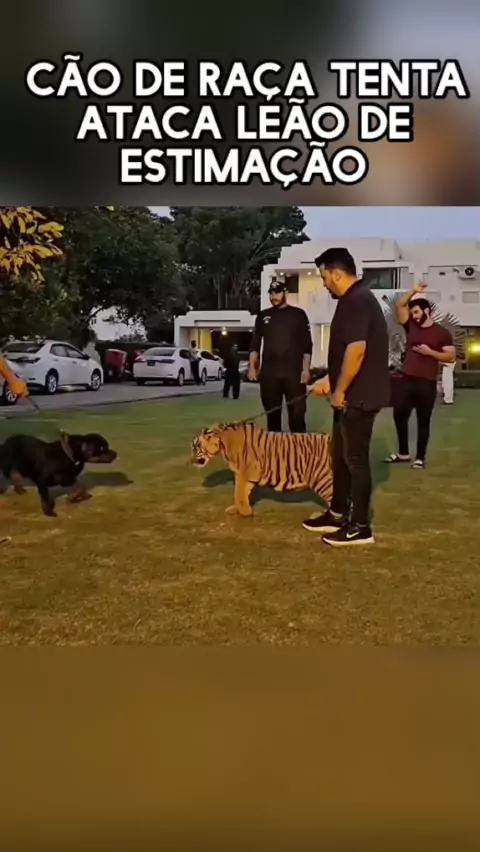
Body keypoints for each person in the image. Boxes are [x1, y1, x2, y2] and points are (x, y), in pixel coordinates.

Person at [304, 248, 390, 547]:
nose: (324, 283)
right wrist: (330, 380)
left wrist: (339, 391)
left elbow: (357, 351)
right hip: (353, 394)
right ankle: (338, 512)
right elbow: (346, 354)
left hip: (359, 397)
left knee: (355, 460)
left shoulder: (356, 301)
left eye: (324, 277)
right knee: (339, 457)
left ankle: (360, 527)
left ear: (337, 273)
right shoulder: (356, 299)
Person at [386, 283, 455, 468]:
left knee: (423, 420)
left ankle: (420, 458)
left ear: (426, 311)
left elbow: (450, 356)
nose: (414, 316)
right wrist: (414, 291)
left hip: (427, 382)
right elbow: (399, 305)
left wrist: (430, 352)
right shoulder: (411, 327)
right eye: (412, 313)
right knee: (399, 414)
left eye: (416, 312)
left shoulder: (442, 333)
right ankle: (403, 453)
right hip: (406, 378)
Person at [248, 277, 312, 433]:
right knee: (273, 419)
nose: (273, 297)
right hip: (270, 374)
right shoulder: (263, 316)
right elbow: (255, 344)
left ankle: (298, 447)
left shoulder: (298, 314)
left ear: (285, 293)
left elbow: (307, 344)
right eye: (271, 293)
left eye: (277, 293)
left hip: (293, 374)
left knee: (297, 417)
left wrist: (306, 369)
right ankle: (275, 448)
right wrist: (252, 368)